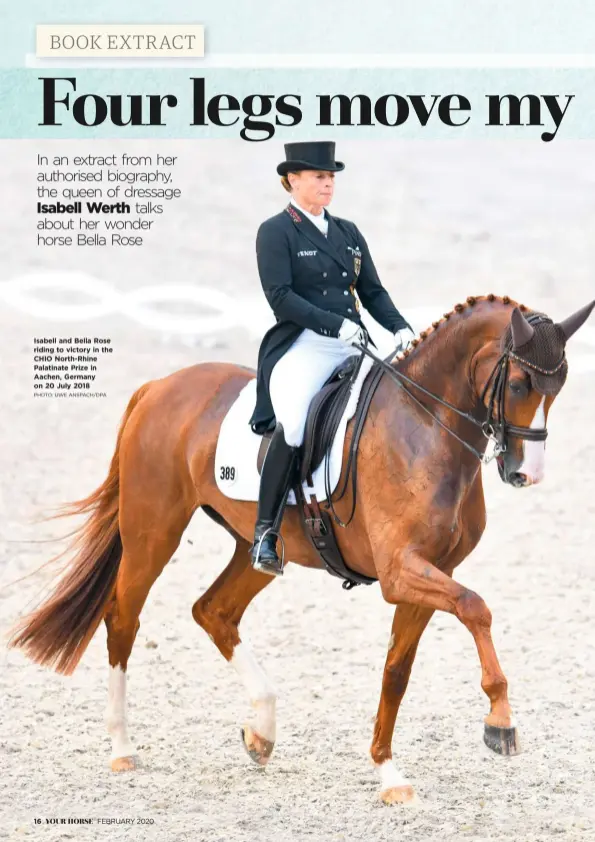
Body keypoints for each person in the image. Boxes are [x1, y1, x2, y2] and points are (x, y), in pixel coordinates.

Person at [248, 141, 415, 577]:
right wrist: (331, 324)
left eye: (331, 177)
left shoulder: (347, 232)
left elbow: (372, 291)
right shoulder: (276, 231)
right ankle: (265, 532)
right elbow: (280, 297)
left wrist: (399, 327)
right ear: (294, 180)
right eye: (319, 176)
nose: (327, 183)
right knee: (297, 420)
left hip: (353, 341)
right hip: (304, 343)